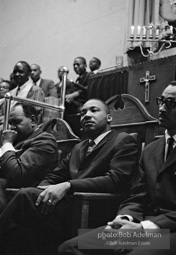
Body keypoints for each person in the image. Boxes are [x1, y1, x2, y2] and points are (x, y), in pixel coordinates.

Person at [0, 98, 138, 254]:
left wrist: (69, 185)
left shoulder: (123, 140)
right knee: (22, 231)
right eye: (83, 112)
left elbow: (115, 180)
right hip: (69, 206)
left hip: (95, 207)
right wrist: (43, 191)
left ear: (109, 117)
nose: (86, 115)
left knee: (25, 195)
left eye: (94, 110)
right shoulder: (79, 147)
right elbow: (54, 176)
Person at [59, 81, 176, 255]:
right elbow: (138, 196)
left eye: (172, 103)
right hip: (139, 228)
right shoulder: (151, 149)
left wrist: (144, 227)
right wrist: (124, 218)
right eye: (161, 101)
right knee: (70, 248)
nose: (162, 108)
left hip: (167, 231)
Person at [0, 102, 58, 212]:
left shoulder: (44, 141)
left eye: (17, 122)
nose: (12, 127)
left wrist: (7, 143)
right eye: (10, 123)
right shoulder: (17, 140)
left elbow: (16, 173)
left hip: (26, 201)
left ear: (33, 120)